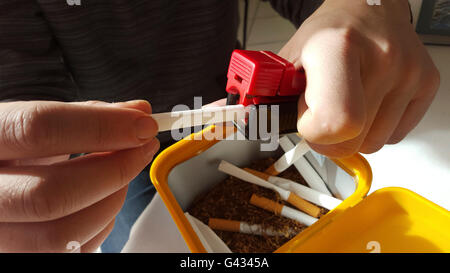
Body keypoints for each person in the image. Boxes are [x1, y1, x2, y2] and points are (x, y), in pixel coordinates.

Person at [0, 0, 440, 252]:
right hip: (106, 154)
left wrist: (364, 6)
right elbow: (24, 94)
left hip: (234, 114)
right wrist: (27, 157)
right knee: (124, 235)